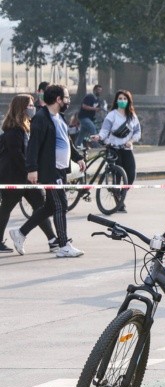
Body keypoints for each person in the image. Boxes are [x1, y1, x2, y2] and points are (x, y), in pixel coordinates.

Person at [9, 85, 86, 258]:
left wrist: (78, 157)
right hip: (49, 170)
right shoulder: (41, 118)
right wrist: (32, 169)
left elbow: (67, 142)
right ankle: (64, 244)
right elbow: (33, 146)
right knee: (61, 205)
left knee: (50, 206)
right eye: (66, 98)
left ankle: (20, 233)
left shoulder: (60, 117)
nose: (68, 101)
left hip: (60, 170)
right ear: (58, 99)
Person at [0, 95, 58, 254]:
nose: (33, 108)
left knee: (41, 206)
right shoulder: (14, 129)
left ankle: (53, 240)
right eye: (30, 105)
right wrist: (30, 171)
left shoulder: (26, 126)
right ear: (22, 107)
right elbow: (16, 155)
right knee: (5, 209)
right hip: (14, 177)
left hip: (25, 177)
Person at [91, 90, 141, 213]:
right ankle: (119, 201)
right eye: (120, 98)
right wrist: (99, 137)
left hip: (127, 149)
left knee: (131, 174)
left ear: (128, 101)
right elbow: (104, 131)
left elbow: (137, 132)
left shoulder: (132, 116)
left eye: (125, 99)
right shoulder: (111, 115)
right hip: (113, 148)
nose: (122, 101)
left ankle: (120, 194)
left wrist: (131, 141)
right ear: (116, 100)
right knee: (117, 175)